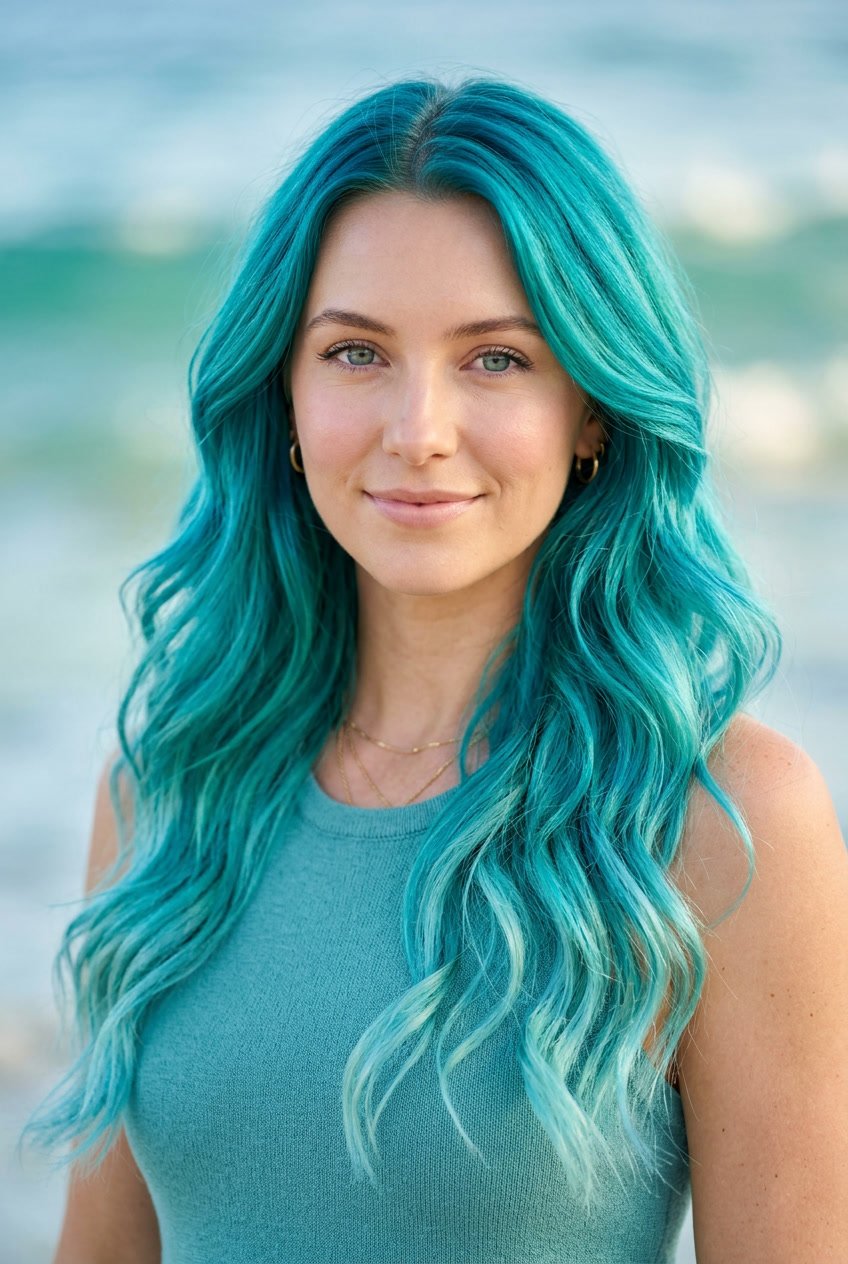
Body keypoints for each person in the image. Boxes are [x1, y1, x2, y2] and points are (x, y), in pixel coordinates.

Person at [22, 75, 847, 1264]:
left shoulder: (721, 818)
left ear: (592, 410)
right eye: (355, 351)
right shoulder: (165, 791)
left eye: (496, 360)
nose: (417, 428)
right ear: (286, 397)